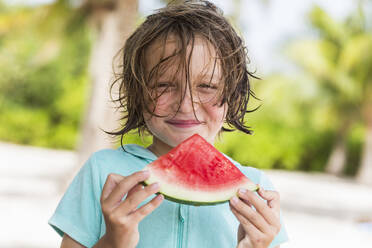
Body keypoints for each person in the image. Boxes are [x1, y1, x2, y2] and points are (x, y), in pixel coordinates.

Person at [49, 1, 289, 247]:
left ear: (233, 96)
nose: (186, 105)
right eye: (163, 85)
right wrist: (112, 242)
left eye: (207, 86)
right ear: (138, 93)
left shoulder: (254, 188)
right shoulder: (103, 172)